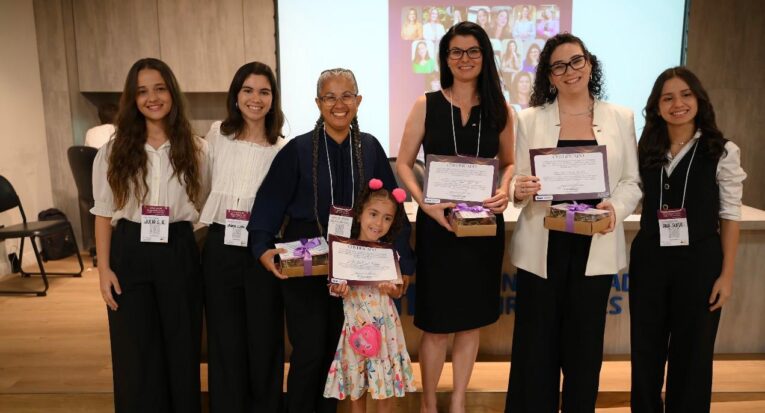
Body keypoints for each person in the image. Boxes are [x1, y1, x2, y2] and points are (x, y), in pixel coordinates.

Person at [246, 68, 415, 413]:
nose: (339, 104)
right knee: (309, 351)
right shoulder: (297, 149)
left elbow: (392, 212)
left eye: (346, 96)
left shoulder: (370, 147)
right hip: (307, 265)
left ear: (358, 100)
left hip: (357, 271)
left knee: (345, 355)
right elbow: (270, 203)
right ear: (318, 102)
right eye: (330, 97)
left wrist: (404, 265)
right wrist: (262, 247)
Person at [505, 33, 641, 412]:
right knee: (536, 350)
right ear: (550, 76)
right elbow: (516, 180)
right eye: (559, 66)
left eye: (576, 61)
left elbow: (632, 181)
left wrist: (614, 208)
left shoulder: (621, 117)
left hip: (594, 244)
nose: (570, 71)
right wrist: (519, 188)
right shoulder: (529, 119)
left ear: (590, 64)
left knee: (584, 350)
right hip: (542, 248)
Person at [397, 21, 514, 413]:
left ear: (485, 56)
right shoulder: (426, 104)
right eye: (456, 52)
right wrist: (424, 203)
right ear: (446, 59)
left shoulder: (500, 108)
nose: (465, 59)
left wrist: (504, 188)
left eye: (473, 51)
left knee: (470, 321)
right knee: (435, 323)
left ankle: (459, 400)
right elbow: (403, 163)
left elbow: (509, 163)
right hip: (438, 226)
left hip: (482, 229)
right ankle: (429, 403)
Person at [91, 57, 211, 412]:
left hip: (178, 249)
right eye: (142, 91)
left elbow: (204, 202)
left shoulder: (197, 149)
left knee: (182, 345)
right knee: (135, 351)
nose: (152, 98)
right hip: (129, 250)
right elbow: (103, 212)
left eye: (160, 88)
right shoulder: (113, 151)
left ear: (172, 92)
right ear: (133, 98)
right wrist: (103, 270)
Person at [629, 67, 746, 413]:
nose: (677, 104)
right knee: (646, 351)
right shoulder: (645, 148)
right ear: (656, 106)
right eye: (667, 98)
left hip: (700, 263)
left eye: (685, 95)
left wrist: (726, 276)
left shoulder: (721, 150)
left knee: (693, 354)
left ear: (698, 99)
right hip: (650, 260)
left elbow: (730, 214)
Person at [199, 62, 286, 412]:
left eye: (264, 92)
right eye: (248, 90)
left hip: (261, 249)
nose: (255, 98)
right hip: (220, 245)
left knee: (264, 338)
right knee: (224, 339)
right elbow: (203, 185)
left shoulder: (281, 148)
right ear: (236, 95)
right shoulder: (217, 135)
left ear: (273, 99)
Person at [324, 178, 416, 412]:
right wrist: (339, 288)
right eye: (373, 214)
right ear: (359, 214)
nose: (378, 223)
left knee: (386, 386)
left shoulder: (389, 254)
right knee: (358, 385)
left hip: (385, 330)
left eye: (387, 218)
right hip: (355, 327)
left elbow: (397, 291)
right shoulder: (344, 251)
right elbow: (333, 287)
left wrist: (391, 289)